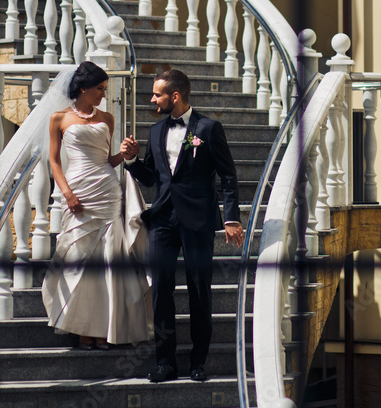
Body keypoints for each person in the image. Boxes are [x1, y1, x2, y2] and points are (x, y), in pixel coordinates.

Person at [120, 69, 244, 383]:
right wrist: (133, 162)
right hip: (162, 219)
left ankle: (198, 362)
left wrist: (231, 218)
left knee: (199, 289)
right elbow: (152, 178)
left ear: (175, 96)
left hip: (198, 219)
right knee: (161, 289)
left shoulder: (209, 128)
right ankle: (165, 363)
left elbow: (228, 177)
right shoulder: (156, 129)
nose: (152, 99)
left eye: (157, 94)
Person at [41, 61, 152, 350]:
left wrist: (125, 154)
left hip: (107, 191)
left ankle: (105, 328)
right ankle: (80, 329)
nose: (104, 94)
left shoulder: (107, 118)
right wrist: (66, 193)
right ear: (82, 88)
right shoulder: (58, 118)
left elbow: (108, 161)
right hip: (77, 191)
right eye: (99, 89)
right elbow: (54, 161)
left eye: (105, 89)